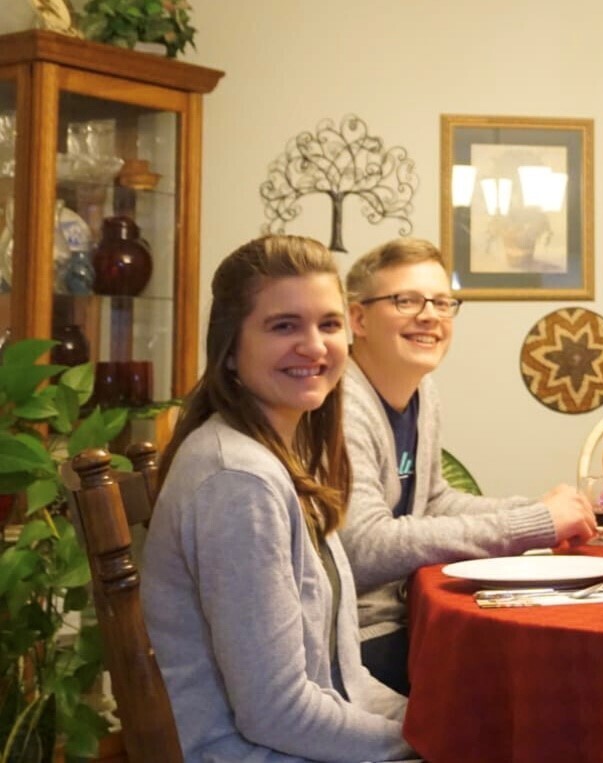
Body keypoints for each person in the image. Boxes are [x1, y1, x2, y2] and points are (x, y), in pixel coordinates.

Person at [141, 235, 413, 761]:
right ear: (231, 348)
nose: (314, 346)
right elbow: (278, 713)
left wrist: (434, 726)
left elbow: (345, 680)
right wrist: (432, 742)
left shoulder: (281, 459)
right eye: (284, 325)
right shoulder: (238, 480)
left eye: (328, 324)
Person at [337, 238, 595, 695]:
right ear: (358, 318)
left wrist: (539, 512)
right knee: (535, 680)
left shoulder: (423, 391)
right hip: (350, 639)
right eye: (406, 300)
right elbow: (364, 546)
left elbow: (434, 499)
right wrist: (534, 522)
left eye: (441, 302)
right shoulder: (341, 404)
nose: (430, 315)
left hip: (405, 613)